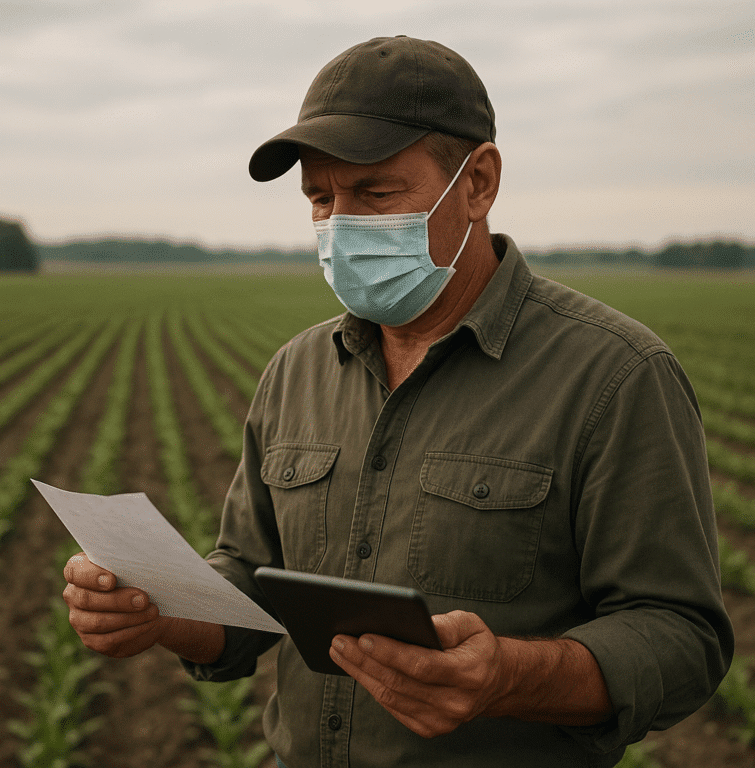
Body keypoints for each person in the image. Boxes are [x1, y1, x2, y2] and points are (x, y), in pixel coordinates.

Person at [63, 36, 734, 767]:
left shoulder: (615, 375)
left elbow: (680, 638)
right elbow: (251, 585)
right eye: (320, 199)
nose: (340, 225)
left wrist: (507, 675)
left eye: (375, 193)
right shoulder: (297, 372)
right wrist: (163, 610)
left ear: (477, 183)